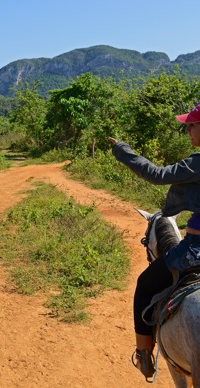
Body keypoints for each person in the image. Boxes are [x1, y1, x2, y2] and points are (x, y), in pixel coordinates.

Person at [109, 104, 200, 380]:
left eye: (192, 125)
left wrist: (123, 151)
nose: (187, 130)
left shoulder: (197, 162)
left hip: (194, 252)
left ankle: (145, 356)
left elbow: (157, 175)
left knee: (144, 285)